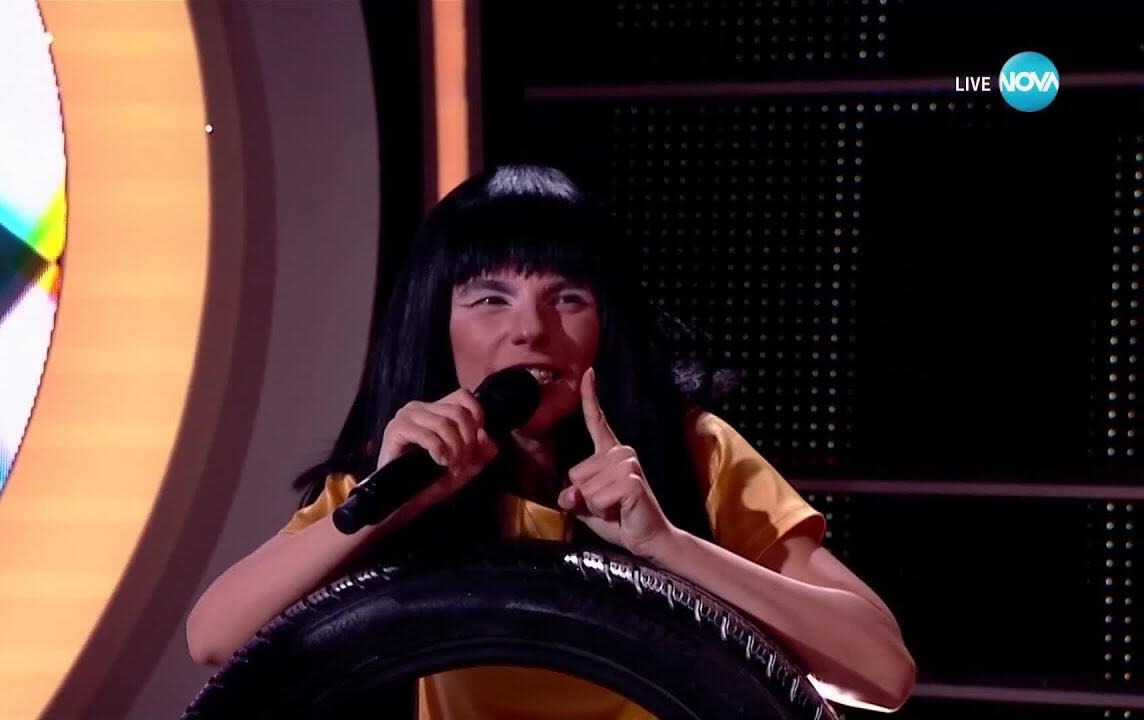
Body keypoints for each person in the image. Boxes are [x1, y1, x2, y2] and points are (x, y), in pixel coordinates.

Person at [186, 164, 916, 718]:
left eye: (567, 298)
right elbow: (214, 639)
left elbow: (884, 674)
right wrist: (389, 508)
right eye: (489, 299)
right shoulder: (406, 470)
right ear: (439, 326)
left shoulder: (696, 452)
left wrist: (666, 546)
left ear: (607, 324)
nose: (530, 330)